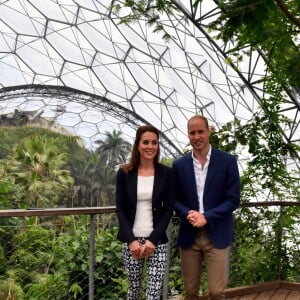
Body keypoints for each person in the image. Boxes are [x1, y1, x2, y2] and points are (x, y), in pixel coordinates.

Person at [172, 115, 241, 300]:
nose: (197, 136)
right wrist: (188, 213)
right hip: (189, 234)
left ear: (209, 131)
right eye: (192, 133)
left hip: (217, 233)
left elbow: (233, 199)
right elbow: (174, 199)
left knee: (216, 292)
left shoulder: (227, 161)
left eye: (200, 131)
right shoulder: (179, 165)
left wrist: (207, 217)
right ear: (188, 135)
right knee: (191, 292)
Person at [115, 125, 174, 300]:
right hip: (131, 241)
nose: (150, 146)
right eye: (146, 142)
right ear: (138, 145)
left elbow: (169, 209)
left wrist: (153, 240)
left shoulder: (166, 173)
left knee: (153, 294)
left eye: (154, 142)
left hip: (156, 241)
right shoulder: (125, 173)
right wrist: (131, 240)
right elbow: (120, 208)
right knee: (133, 291)